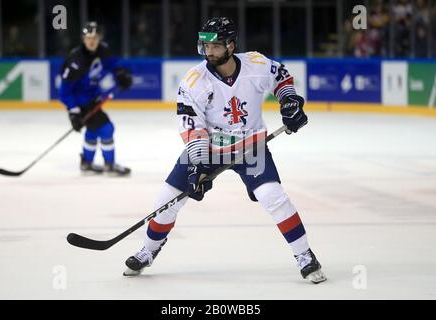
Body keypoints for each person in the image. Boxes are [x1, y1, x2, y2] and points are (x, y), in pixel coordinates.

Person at [123, 17, 326, 283]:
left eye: (216, 46)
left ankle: (305, 255)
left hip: (251, 145)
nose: (210, 52)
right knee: (166, 200)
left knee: (273, 197)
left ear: (231, 45)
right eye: (206, 47)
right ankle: (148, 251)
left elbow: (281, 76)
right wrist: (197, 165)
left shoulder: (256, 64)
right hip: (208, 147)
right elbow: (191, 125)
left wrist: (289, 101)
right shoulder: (194, 80)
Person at [59, 22, 132, 176]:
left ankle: (87, 162)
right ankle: (109, 165)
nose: (91, 41)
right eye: (88, 37)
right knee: (107, 128)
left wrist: (121, 74)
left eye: (95, 37)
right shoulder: (75, 61)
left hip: (93, 97)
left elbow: (113, 63)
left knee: (93, 130)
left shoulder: (102, 50)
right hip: (81, 101)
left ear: (99, 38)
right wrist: (73, 112)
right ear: (83, 39)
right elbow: (65, 91)